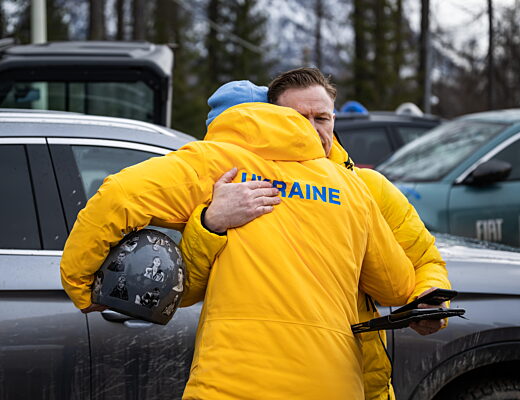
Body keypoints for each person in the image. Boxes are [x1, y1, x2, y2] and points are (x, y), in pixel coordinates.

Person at [60, 92, 416, 398]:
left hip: (230, 384)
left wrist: (81, 285)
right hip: (332, 384)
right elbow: (397, 286)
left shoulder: (214, 164)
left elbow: (119, 195)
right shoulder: (351, 187)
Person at [178, 68, 451, 400]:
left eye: (321, 118)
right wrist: (209, 223)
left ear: (334, 119)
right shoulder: (238, 189)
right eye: (296, 119)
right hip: (257, 377)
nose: (310, 130)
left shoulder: (369, 188)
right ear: (271, 120)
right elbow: (187, 291)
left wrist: (426, 303)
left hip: (360, 378)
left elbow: (425, 261)